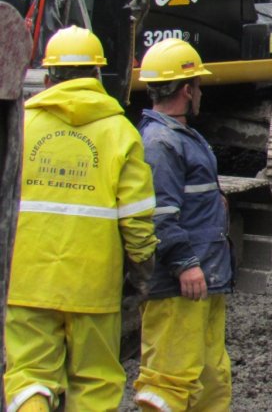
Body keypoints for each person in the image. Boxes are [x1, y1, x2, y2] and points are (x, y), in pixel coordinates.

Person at [4, 27, 158, 412]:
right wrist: (142, 270)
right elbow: (137, 218)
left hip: (27, 280)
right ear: (97, 75)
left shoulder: (20, 125)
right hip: (94, 284)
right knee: (95, 381)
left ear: (50, 77)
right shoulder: (119, 131)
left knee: (28, 376)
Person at [133, 39, 234, 412]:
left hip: (204, 278)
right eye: (199, 86)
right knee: (169, 383)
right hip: (181, 283)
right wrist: (185, 263)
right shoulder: (160, 143)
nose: (201, 93)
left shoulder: (179, 136)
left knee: (211, 378)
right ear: (187, 89)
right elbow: (158, 213)